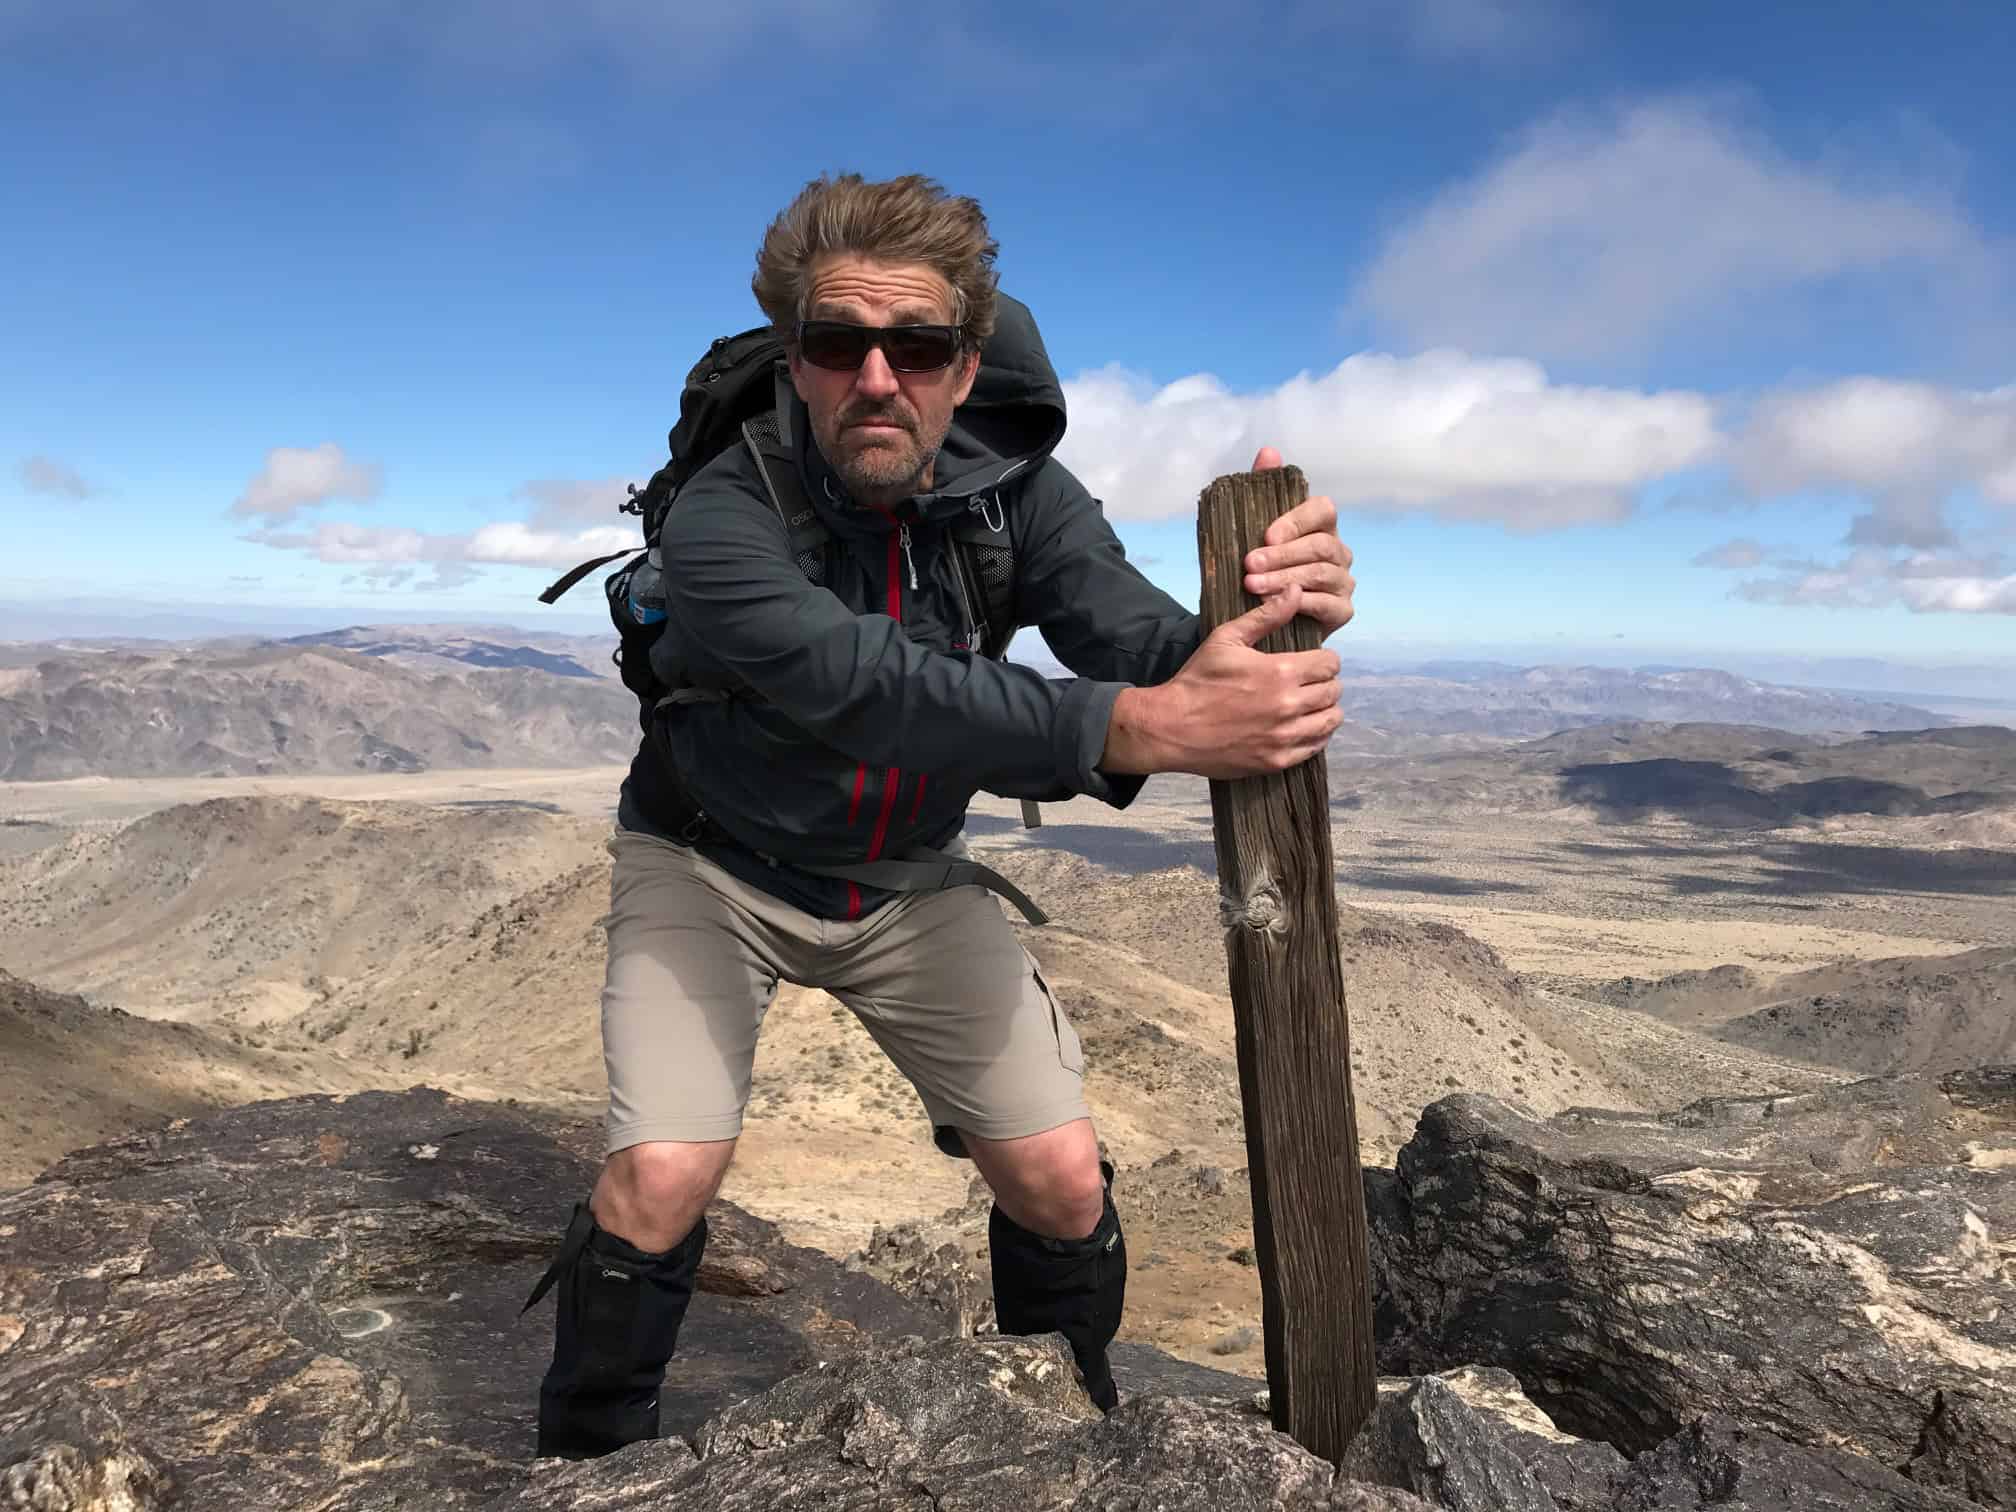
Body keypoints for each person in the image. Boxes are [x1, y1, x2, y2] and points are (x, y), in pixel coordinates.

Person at [526, 172, 1356, 1459]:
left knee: (1061, 1182)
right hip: (710, 865)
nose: (876, 376)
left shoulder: (1017, 493)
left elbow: (1136, 635)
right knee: (661, 1175)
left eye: (914, 346)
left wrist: (1263, 621)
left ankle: (1067, 1441)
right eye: (836, 344)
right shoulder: (720, 517)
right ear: (793, 361)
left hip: (903, 879)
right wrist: (1134, 728)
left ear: (964, 368)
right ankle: (583, 1458)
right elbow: (865, 687)